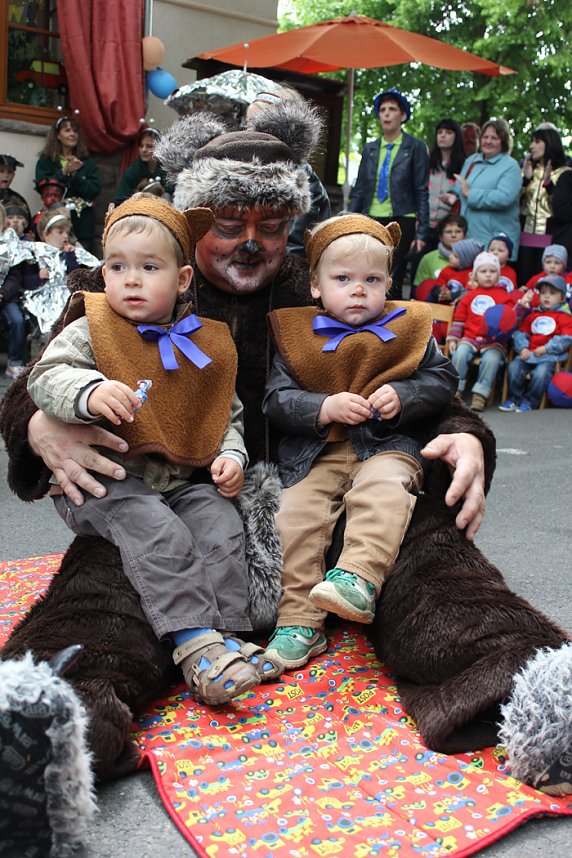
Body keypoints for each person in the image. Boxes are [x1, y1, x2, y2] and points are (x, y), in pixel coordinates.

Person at [1, 96, 520, 848]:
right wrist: (40, 420)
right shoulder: (132, 276)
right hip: (168, 498)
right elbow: (43, 371)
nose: (250, 243)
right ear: (188, 226)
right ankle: (40, 732)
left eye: (271, 227)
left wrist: (465, 435)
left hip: (320, 491)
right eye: (228, 224)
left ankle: (524, 691)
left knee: (425, 541)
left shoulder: (327, 282)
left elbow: (407, 369)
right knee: (107, 589)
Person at [25, 194, 278, 705]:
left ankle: (229, 636)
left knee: (217, 519)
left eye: (148, 267)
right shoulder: (92, 328)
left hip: (180, 479)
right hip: (106, 482)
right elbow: (46, 375)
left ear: (183, 279)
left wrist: (232, 455)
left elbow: (222, 412)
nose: (131, 279)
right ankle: (191, 641)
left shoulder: (203, 341)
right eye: (117, 266)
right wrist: (86, 392)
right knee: (156, 529)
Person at [262, 214, 458, 669]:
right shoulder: (297, 334)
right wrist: (323, 407)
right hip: (317, 455)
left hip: (385, 447)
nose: (358, 289)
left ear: (389, 281)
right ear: (316, 285)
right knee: (295, 516)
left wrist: (405, 395)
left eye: (372, 279)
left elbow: (443, 379)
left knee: (383, 492)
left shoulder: (409, 327)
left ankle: (358, 579)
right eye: (343, 278)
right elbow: (275, 399)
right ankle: (298, 621)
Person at [349, 88, 429, 299]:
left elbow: (422, 190)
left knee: (395, 272)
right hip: (372, 216)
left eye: (392, 109)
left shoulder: (415, 147)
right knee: (368, 268)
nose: (386, 113)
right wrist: (349, 219)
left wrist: (422, 233)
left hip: (403, 217)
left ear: (402, 116)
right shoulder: (370, 149)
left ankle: (392, 323)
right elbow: (359, 187)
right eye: (382, 109)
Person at [246, 86, 331, 257]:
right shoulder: (253, 170)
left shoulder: (302, 178)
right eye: (247, 123)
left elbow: (295, 246)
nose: (248, 131)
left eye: (255, 124)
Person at [447, 251, 519, 411]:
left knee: (492, 360)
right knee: (460, 353)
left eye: (492, 271)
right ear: (476, 275)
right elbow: (459, 320)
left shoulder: (504, 297)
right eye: (483, 271)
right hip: (470, 337)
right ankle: (456, 390)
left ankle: (480, 394)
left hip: (493, 341)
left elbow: (508, 319)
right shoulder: (469, 296)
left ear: (498, 276)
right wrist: (453, 338)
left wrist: (519, 310)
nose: (488, 275)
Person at [442, 118, 521, 261]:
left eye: (494, 138)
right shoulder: (471, 160)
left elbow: (504, 198)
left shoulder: (511, 166)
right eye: (485, 137)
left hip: (495, 244)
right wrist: (453, 195)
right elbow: (461, 186)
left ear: (503, 142)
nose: (488, 141)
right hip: (468, 240)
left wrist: (470, 194)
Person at [499, 274, 572, 412]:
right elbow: (521, 333)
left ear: (562, 297)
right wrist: (523, 348)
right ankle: (514, 399)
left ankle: (530, 401)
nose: (546, 297)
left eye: (552, 293)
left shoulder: (565, 317)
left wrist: (546, 348)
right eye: (543, 293)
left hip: (548, 356)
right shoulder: (533, 315)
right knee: (514, 367)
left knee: (541, 373)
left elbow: (567, 338)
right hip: (529, 353)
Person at [35, 114, 101, 251]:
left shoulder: (87, 162)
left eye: (74, 131)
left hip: (82, 226)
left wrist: (76, 176)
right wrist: (63, 172)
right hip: (56, 224)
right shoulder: (46, 161)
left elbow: (94, 190)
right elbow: (42, 186)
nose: (72, 134)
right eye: (67, 130)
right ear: (57, 135)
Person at [518, 125, 571, 285]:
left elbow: (564, 211)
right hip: (525, 237)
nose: (531, 146)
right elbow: (513, 204)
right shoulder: (527, 170)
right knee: (524, 282)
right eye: (531, 141)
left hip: (552, 238)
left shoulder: (565, 173)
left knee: (546, 284)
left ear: (549, 143)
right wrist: (525, 180)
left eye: (537, 141)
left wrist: (548, 184)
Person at [0, 204, 28, 378]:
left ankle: (14, 362)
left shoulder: (10, 243)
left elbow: (14, 276)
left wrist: (3, 293)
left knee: (17, 321)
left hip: (5, 296)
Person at [413, 213, 468, 294]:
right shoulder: (428, 258)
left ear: (465, 235)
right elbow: (418, 290)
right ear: (441, 237)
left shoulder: (473, 258)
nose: (453, 235)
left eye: (458, 231)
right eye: (449, 232)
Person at [113, 127, 168, 206]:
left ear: (159, 148)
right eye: (141, 146)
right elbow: (120, 200)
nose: (144, 150)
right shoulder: (133, 171)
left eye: (149, 146)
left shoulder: (167, 170)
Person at [0, 153, 32, 223]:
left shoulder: (18, 199)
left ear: (13, 175)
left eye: (9, 172)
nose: (6, 175)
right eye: (1, 171)